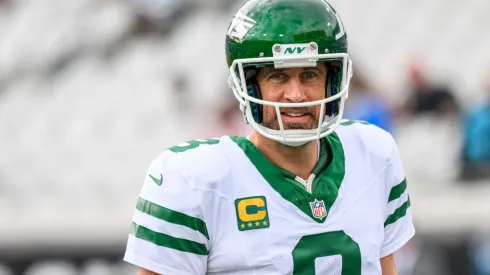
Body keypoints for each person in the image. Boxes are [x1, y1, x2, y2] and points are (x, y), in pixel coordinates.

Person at [124, 0, 415, 274]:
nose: (296, 95)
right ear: (250, 87)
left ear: (332, 81)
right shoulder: (192, 180)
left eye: (310, 75)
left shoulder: (374, 155)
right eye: (278, 76)